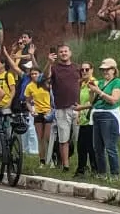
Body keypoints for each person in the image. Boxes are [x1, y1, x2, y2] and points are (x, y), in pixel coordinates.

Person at [88, 57, 120, 180]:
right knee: (97, 148)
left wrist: (99, 92)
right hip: (97, 114)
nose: (105, 72)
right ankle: (102, 173)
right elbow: (92, 102)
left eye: (107, 69)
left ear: (113, 70)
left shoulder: (117, 82)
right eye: (103, 70)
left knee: (110, 147)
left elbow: (114, 100)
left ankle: (114, 174)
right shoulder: (100, 82)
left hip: (109, 116)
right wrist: (91, 91)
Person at [45, 43, 79, 171]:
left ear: (70, 53)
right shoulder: (54, 68)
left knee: (79, 138)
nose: (64, 53)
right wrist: (49, 63)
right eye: (61, 52)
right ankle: (66, 165)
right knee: (63, 138)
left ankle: (82, 164)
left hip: (77, 107)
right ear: (58, 55)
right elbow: (46, 77)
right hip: (61, 108)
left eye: (65, 51)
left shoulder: (77, 68)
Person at [73, 62, 99, 178]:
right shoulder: (83, 84)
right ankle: (81, 169)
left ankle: (95, 170)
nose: (84, 72)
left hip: (91, 119)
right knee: (81, 147)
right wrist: (78, 114)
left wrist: (81, 108)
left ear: (92, 70)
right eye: (82, 70)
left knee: (91, 147)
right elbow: (81, 101)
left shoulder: (94, 83)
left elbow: (94, 102)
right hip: (83, 119)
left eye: (87, 69)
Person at [24, 67, 53, 164]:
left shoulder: (45, 84)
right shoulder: (29, 86)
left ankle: (51, 158)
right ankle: (42, 160)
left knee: (47, 137)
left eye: (35, 73)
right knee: (40, 138)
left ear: (40, 74)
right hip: (37, 113)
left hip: (48, 111)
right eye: (32, 74)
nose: (33, 76)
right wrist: (31, 110)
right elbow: (27, 101)